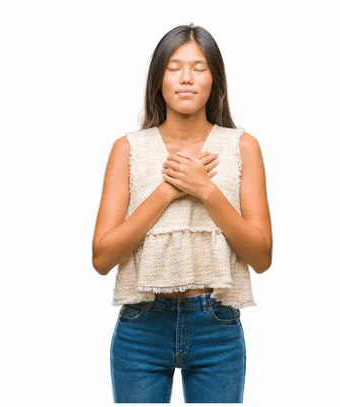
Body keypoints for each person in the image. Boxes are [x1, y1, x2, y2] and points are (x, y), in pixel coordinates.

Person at [91, 23, 273, 403]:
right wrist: (168, 190)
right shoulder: (128, 148)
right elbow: (102, 258)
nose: (186, 78)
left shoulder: (243, 146)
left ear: (215, 79)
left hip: (217, 328)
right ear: (158, 77)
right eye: (174, 67)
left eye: (199, 67)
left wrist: (205, 189)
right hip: (141, 328)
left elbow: (261, 256)